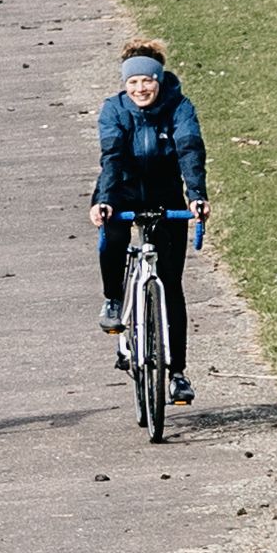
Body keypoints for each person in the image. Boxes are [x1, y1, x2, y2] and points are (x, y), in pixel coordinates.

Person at [89, 37, 210, 396]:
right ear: (125, 85)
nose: (141, 88)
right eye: (133, 82)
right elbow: (111, 156)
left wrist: (197, 197)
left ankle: (177, 375)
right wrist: (105, 201)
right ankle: (113, 298)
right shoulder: (115, 110)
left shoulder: (180, 108)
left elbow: (189, 149)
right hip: (121, 188)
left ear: (158, 79)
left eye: (147, 81)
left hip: (165, 192)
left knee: (171, 284)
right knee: (112, 237)